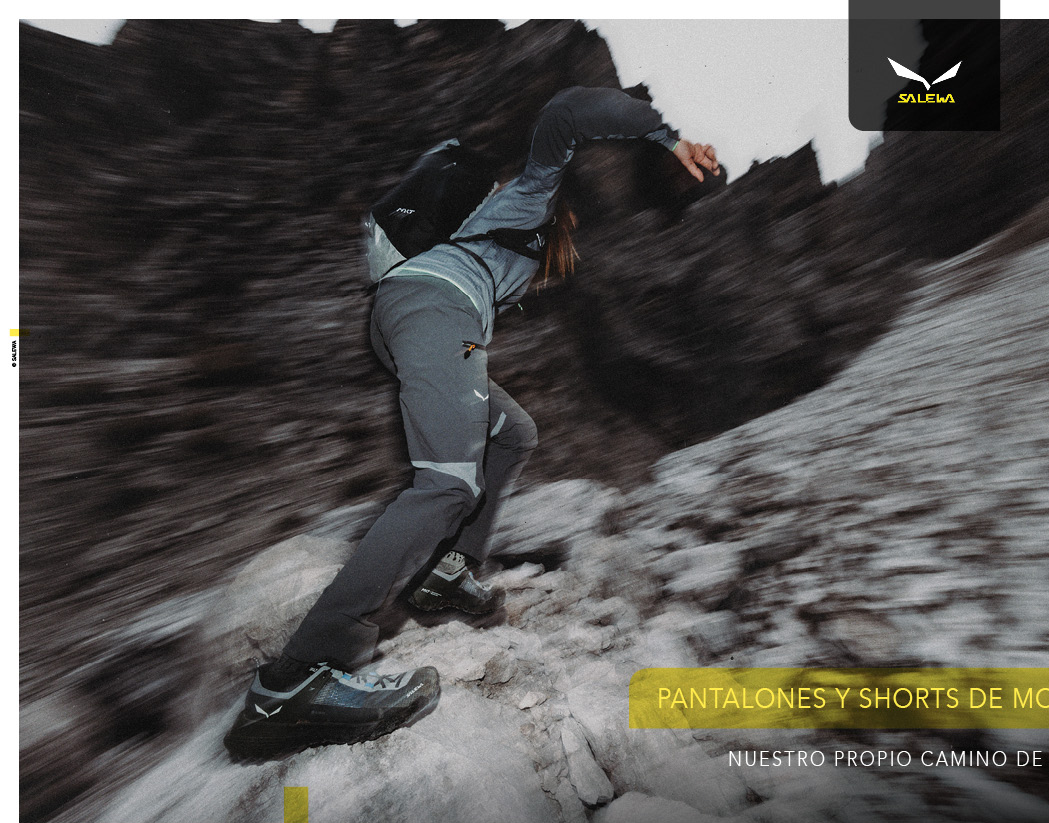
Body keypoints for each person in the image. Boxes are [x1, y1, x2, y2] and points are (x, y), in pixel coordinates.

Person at [224, 86, 720, 758]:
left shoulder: (505, 257)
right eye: (569, 231)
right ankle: (296, 683)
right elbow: (565, 114)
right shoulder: (529, 196)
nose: (568, 245)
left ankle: (448, 573)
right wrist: (667, 137)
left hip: (426, 316)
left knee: (514, 432)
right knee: (447, 483)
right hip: (432, 307)